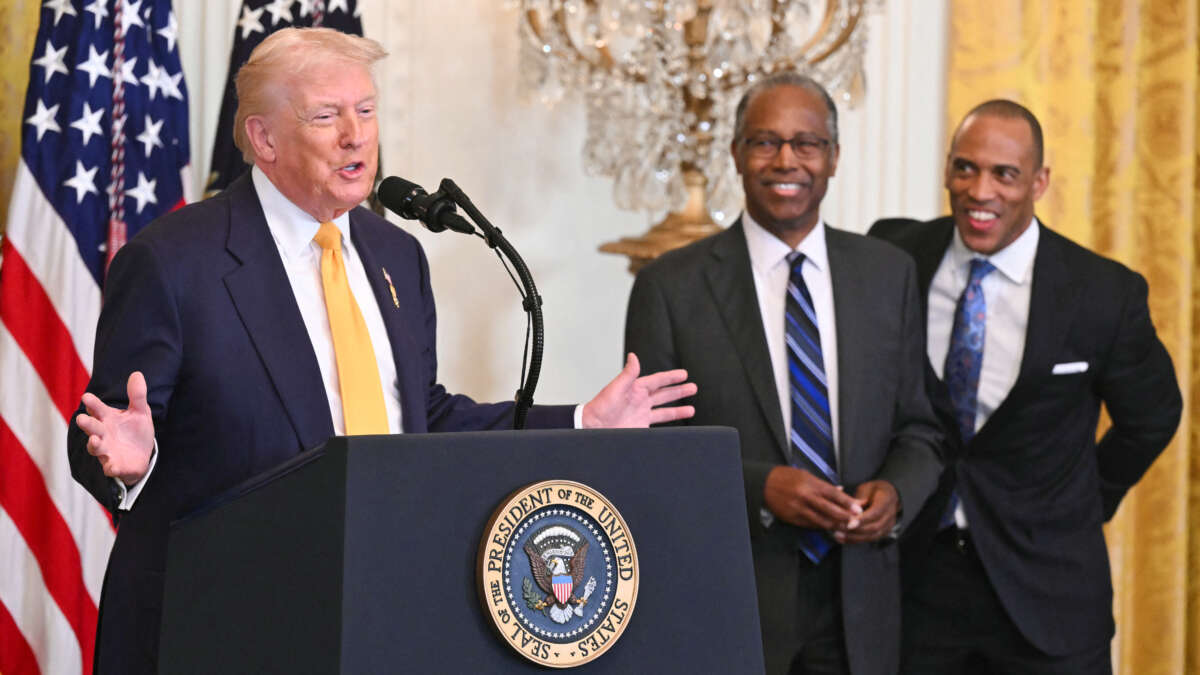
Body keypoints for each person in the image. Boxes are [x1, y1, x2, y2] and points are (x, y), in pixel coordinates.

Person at [68, 28, 696, 675]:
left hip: (378, 610)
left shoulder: (396, 253)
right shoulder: (174, 261)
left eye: (366, 111)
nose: (357, 135)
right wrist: (133, 463)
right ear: (263, 139)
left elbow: (422, 415)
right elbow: (106, 433)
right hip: (227, 624)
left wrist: (580, 422)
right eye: (326, 116)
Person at [624, 72, 943, 675]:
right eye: (765, 142)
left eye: (807, 143)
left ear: (834, 157)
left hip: (860, 606)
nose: (786, 160)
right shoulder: (671, 286)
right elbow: (649, 453)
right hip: (730, 599)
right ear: (737, 155)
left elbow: (921, 428)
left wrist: (896, 494)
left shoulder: (888, 274)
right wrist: (760, 488)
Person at [869, 99, 1182, 674]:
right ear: (946, 171)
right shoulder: (894, 259)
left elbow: (1153, 416)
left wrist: (1085, 499)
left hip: (1048, 594)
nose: (979, 190)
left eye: (1003, 174)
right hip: (917, 586)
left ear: (1038, 183)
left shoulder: (1101, 293)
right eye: (964, 168)